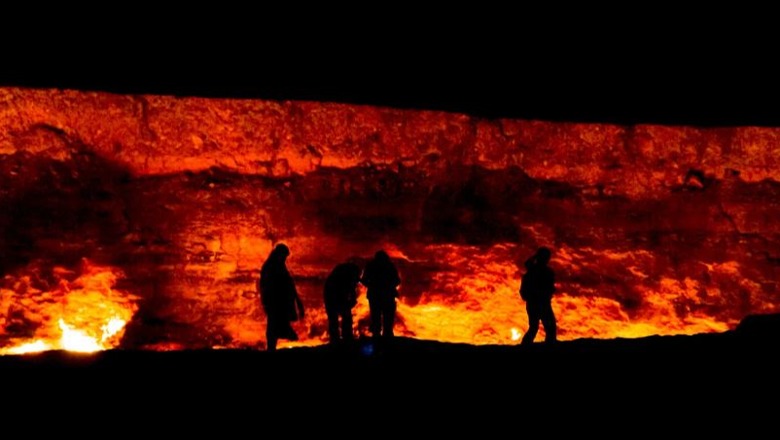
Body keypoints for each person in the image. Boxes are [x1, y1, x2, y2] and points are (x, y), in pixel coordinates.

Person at [257, 243, 304, 351]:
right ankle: (271, 348)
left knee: (275, 325)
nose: (284, 259)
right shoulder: (270, 267)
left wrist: (296, 300)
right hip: (274, 302)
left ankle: (272, 347)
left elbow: (289, 284)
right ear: (279, 254)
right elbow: (268, 286)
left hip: (280, 302)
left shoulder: (279, 265)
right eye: (284, 256)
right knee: (273, 325)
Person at [519, 246, 557, 345]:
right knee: (549, 328)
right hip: (542, 303)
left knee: (535, 328)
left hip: (534, 304)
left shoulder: (533, 271)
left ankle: (525, 345)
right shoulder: (544, 272)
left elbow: (527, 264)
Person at [361, 250, 401, 340]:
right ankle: (387, 336)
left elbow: (364, 280)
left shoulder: (371, 266)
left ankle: (377, 336)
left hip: (375, 295)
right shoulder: (389, 266)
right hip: (387, 295)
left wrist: (371, 285)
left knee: (376, 316)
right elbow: (397, 280)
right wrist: (389, 286)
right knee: (388, 317)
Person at [323, 261, 362, 344]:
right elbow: (350, 288)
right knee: (341, 316)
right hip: (333, 295)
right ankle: (343, 338)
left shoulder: (340, 274)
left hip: (331, 294)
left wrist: (351, 299)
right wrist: (351, 300)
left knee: (337, 317)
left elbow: (351, 288)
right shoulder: (344, 277)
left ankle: (339, 338)